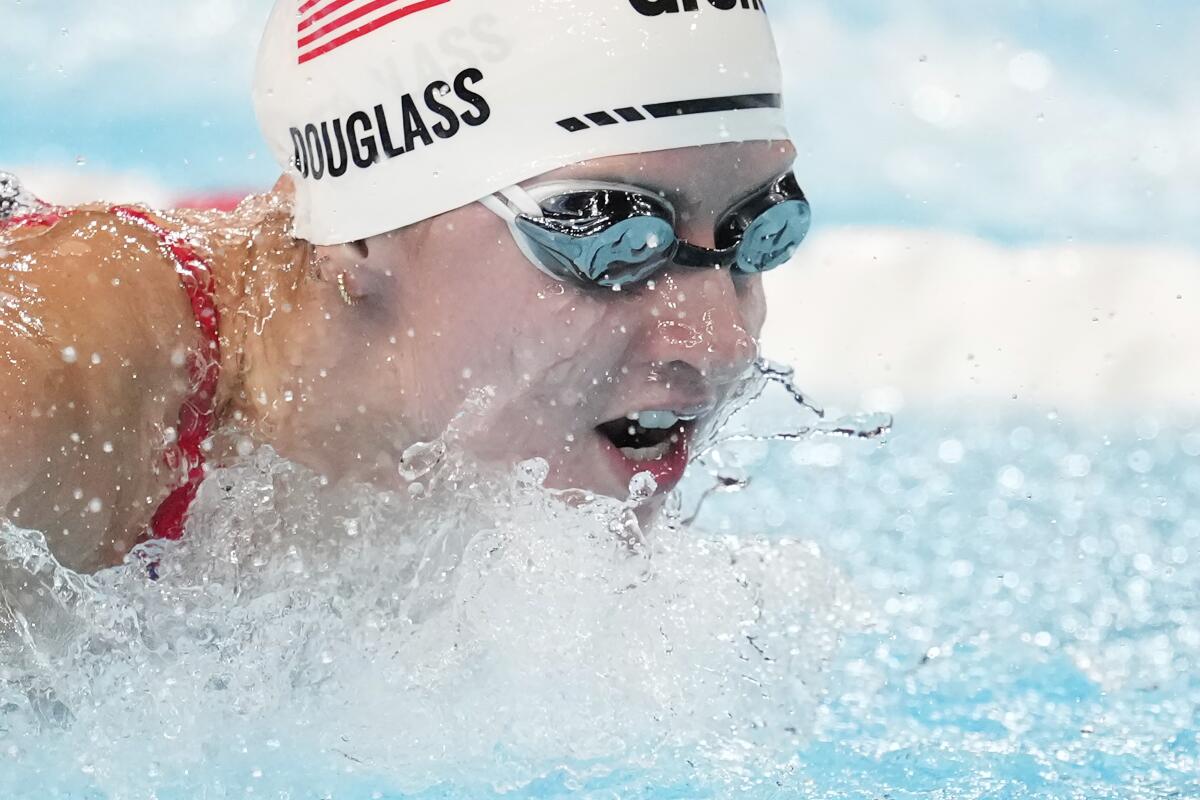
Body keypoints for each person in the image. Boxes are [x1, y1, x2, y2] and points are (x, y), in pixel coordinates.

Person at [0, 0, 809, 574]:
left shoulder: (476, 444)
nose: (724, 343)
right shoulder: (56, 389)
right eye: (606, 236)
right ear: (358, 230)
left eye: (760, 228)